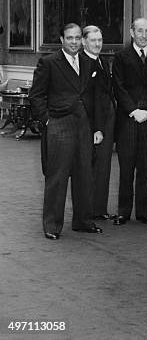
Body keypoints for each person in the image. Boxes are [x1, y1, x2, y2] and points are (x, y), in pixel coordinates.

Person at [28, 23, 106, 239]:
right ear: (61, 39)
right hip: (59, 125)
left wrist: (97, 127)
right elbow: (36, 95)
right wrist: (46, 122)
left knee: (84, 175)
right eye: (69, 38)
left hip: (84, 127)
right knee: (57, 177)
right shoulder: (49, 62)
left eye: (77, 38)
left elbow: (95, 98)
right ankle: (52, 226)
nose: (73, 42)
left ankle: (83, 221)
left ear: (82, 40)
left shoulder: (89, 63)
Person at [112, 18, 147, 226]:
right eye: (139, 31)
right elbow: (118, 87)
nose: (143, 35)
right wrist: (134, 111)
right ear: (132, 32)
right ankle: (123, 211)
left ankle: (142, 212)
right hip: (128, 120)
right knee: (126, 168)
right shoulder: (121, 57)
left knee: (145, 168)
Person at [81, 25, 116, 221]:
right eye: (93, 40)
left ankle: (99, 209)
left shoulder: (102, 61)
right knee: (90, 167)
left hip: (108, 120)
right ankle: (87, 210)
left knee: (104, 166)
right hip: (93, 124)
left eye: (100, 40)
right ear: (84, 42)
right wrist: (97, 128)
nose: (97, 44)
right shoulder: (83, 63)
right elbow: (88, 100)